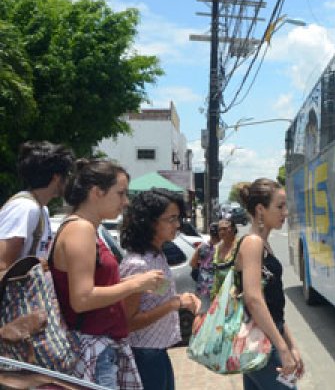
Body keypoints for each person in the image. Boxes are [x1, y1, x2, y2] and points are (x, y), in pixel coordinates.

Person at [49, 159, 165, 389]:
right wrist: (135, 285)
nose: (125, 202)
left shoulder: (87, 228)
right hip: (92, 349)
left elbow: (92, 286)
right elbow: (82, 299)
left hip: (99, 348)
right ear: (96, 192)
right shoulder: (81, 229)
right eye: (120, 194)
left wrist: (127, 282)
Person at [119, 189, 201, 389]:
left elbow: (155, 296)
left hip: (158, 351)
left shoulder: (157, 255)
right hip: (143, 354)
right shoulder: (138, 263)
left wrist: (182, 298)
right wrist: (175, 304)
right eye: (171, 219)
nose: (178, 224)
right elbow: (128, 322)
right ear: (150, 222)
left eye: (178, 218)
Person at [234, 178, 304, 389]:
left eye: (286, 206)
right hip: (262, 344)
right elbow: (254, 299)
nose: (285, 212)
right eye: (280, 206)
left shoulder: (263, 244)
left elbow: (273, 306)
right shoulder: (253, 243)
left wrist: (291, 345)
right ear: (260, 209)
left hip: (267, 337)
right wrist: (283, 349)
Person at [0, 141, 74, 271]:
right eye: (67, 175)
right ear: (56, 177)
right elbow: (2, 263)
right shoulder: (24, 208)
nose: (69, 180)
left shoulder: (41, 209)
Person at [190, 219, 223, 312]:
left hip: (203, 284)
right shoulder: (222, 248)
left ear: (210, 233)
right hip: (217, 286)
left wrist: (203, 267)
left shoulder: (202, 246)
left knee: (201, 312)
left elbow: (192, 263)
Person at [209, 216, 239, 299]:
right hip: (218, 295)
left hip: (234, 295)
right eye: (219, 229)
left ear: (233, 229)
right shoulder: (216, 248)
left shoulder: (240, 246)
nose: (222, 232)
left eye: (225, 229)